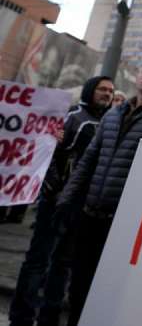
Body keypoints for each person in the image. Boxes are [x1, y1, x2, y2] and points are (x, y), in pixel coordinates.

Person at [56, 60, 142, 326]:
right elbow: (89, 158)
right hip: (90, 214)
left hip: (125, 221)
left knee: (111, 290)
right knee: (79, 285)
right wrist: (67, 198)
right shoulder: (113, 114)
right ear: (137, 78)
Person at [8, 76, 114, 326]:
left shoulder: (107, 123)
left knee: (63, 265)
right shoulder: (72, 116)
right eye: (102, 89)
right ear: (90, 90)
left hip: (82, 206)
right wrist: (54, 189)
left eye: (111, 90)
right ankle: (21, 317)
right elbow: (47, 152)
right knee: (39, 260)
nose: (107, 94)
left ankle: (49, 317)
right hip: (56, 202)